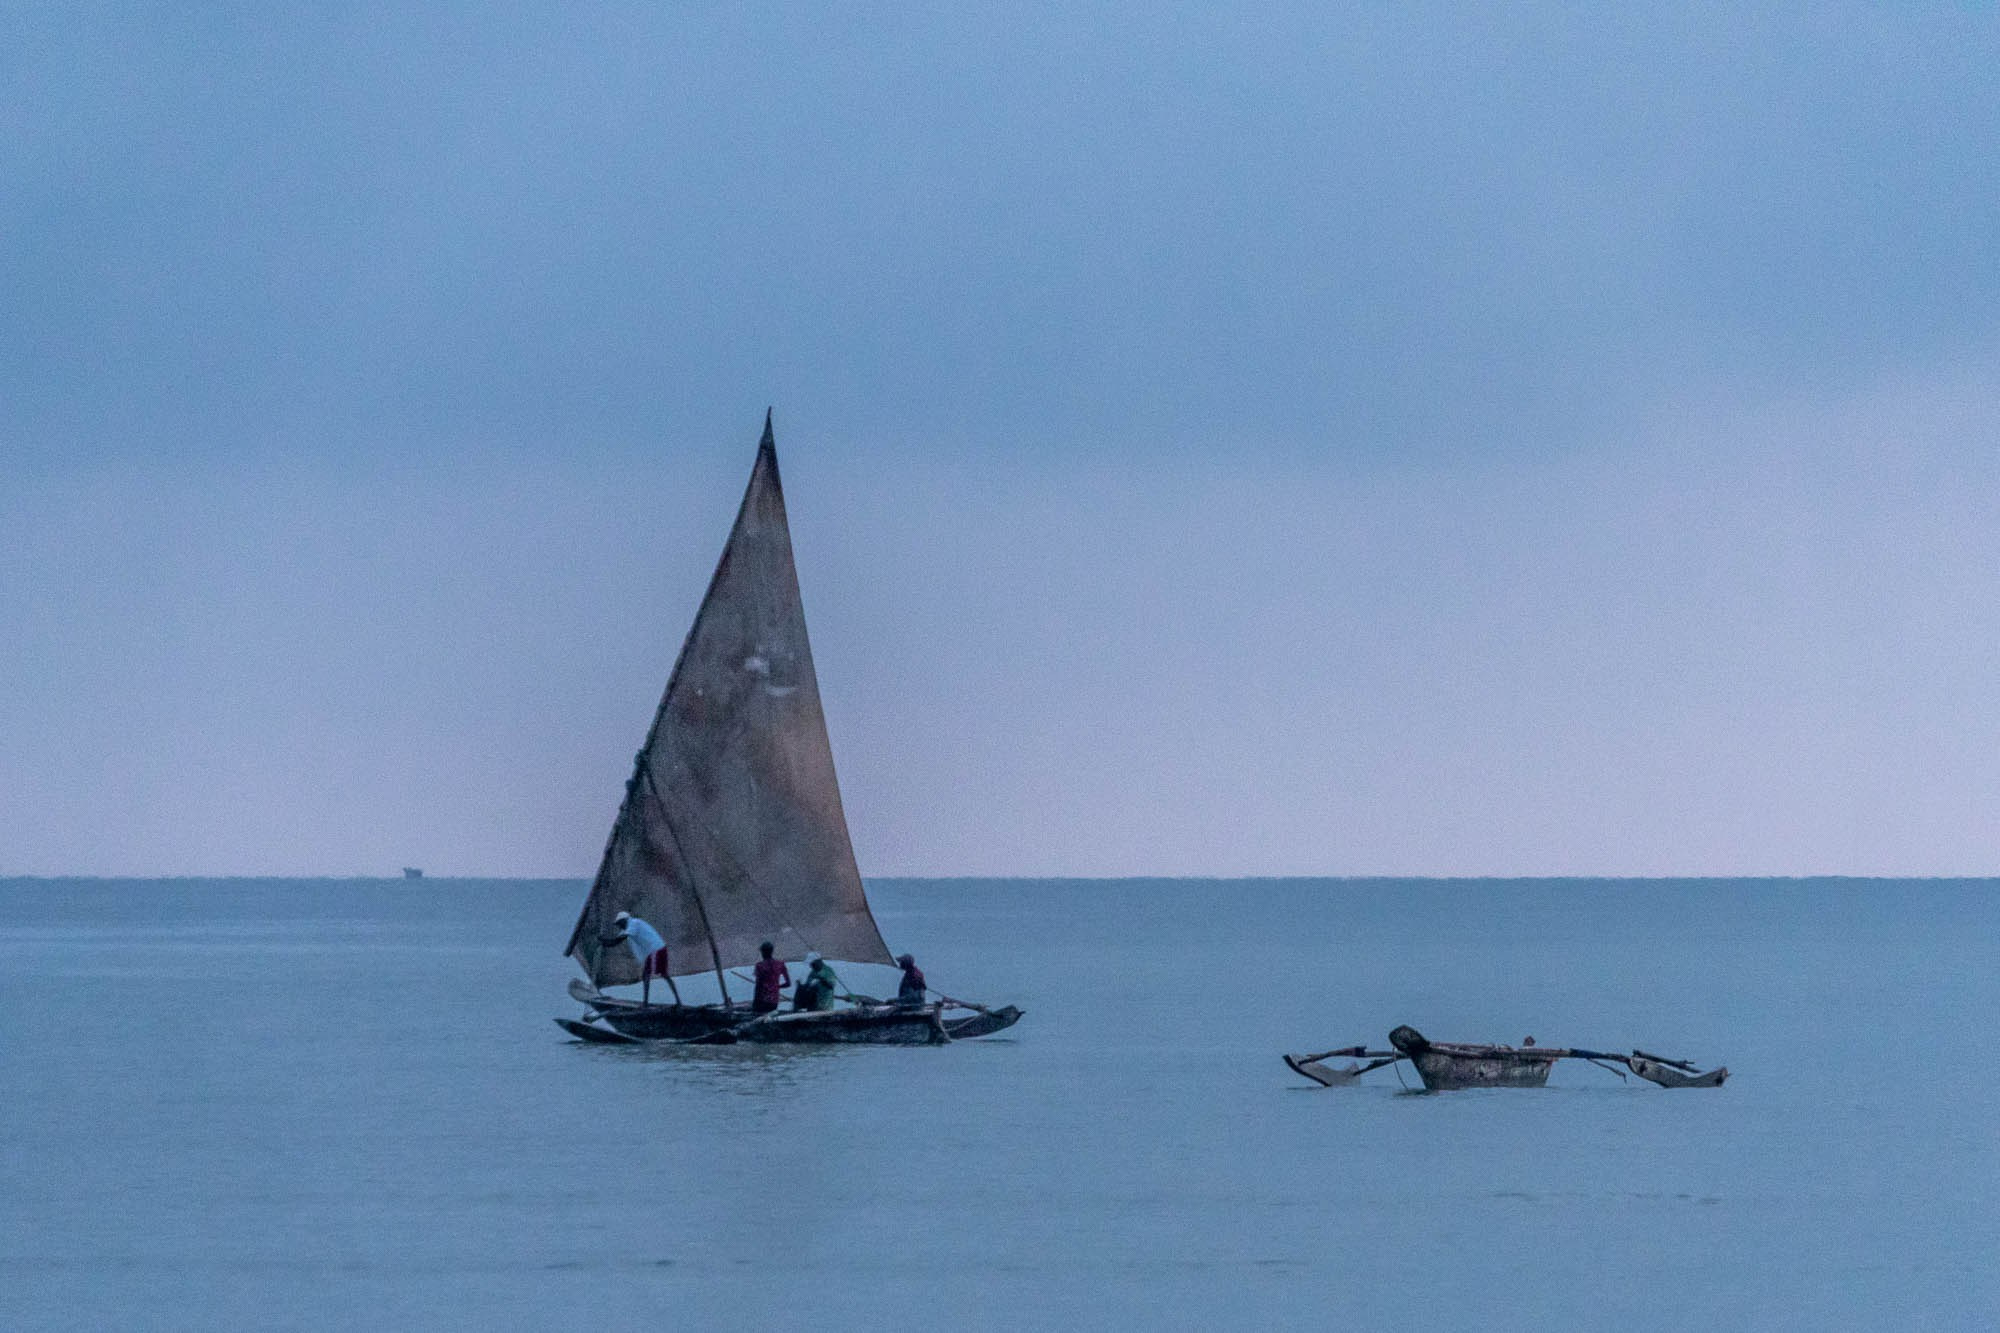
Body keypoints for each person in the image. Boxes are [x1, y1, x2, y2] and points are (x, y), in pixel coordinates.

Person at [601, 910, 678, 1005]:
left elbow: (619, 939)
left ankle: (647, 1003)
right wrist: (603, 941)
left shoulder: (633, 923)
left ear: (624, 920)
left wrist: (606, 941)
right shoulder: (626, 929)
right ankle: (674, 1001)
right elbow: (614, 943)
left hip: (656, 949)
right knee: (655, 975)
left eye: (619, 923)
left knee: (652, 975)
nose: (619, 926)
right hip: (656, 949)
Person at [751, 941, 791, 1014]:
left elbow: (758, 986)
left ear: (762, 952)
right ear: (772, 951)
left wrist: (755, 1003)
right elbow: (788, 984)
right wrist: (776, 986)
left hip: (762, 1000)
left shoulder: (760, 966)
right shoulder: (780, 964)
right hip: (774, 1000)